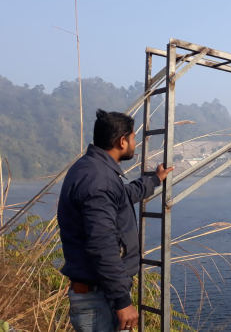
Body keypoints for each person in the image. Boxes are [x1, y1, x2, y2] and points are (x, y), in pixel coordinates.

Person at [57, 109, 174, 332]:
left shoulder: (93, 169)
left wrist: (154, 180)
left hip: (100, 294)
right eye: (133, 139)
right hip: (100, 299)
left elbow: (123, 196)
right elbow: (102, 244)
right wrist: (122, 301)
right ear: (122, 141)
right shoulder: (98, 179)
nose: (135, 144)